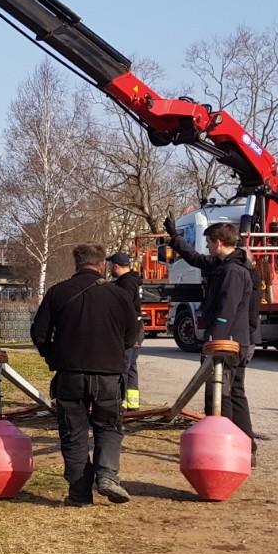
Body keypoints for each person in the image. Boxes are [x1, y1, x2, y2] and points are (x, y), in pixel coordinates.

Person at [31, 243, 143, 506]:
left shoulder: (58, 292)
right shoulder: (118, 295)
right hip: (109, 375)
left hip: (70, 374)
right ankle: (107, 476)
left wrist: (53, 355)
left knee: (74, 433)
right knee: (109, 427)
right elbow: (131, 337)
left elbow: (39, 333)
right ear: (103, 264)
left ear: (76, 263)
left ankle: (80, 494)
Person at [166, 215, 260, 466]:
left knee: (220, 394)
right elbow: (196, 259)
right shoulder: (226, 264)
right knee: (234, 394)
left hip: (228, 342)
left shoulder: (232, 271)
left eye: (208, 242)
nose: (206, 246)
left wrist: (214, 342)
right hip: (235, 340)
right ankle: (245, 446)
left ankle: (224, 446)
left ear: (218, 242)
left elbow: (227, 309)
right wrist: (175, 238)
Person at [106, 250, 145, 410]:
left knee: (123, 366)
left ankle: (120, 402)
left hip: (130, 330)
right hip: (136, 328)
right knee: (131, 367)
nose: (110, 269)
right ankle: (132, 403)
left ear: (116, 266)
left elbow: (124, 308)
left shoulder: (126, 283)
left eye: (110, 266)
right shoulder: (133, 280)